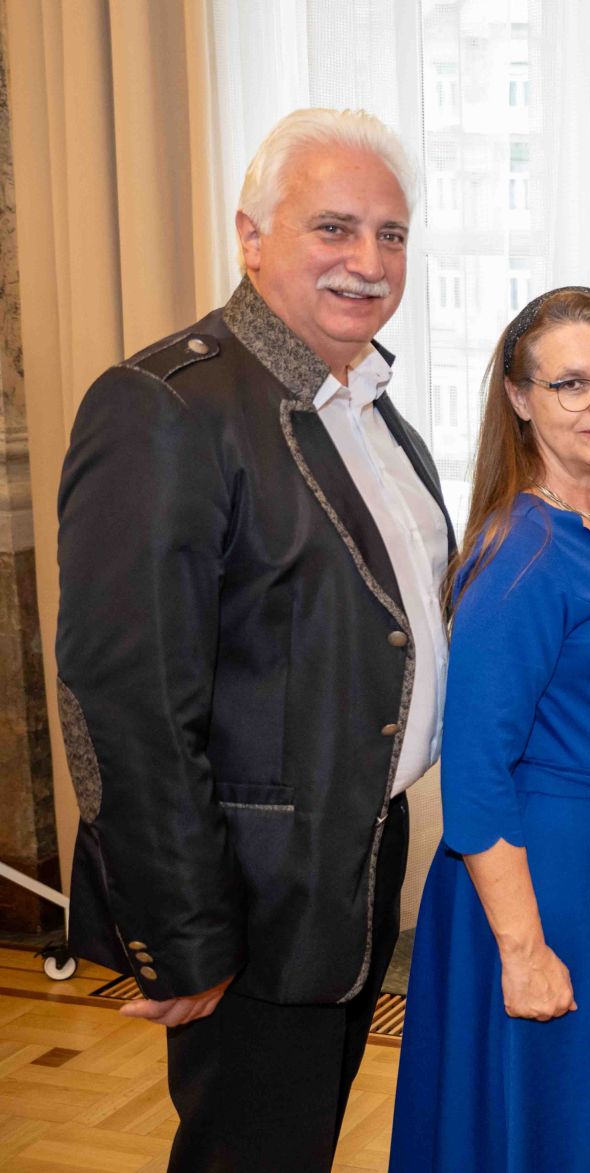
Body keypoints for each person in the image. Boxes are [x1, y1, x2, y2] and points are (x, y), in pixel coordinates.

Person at [55, 108, 449, 1170]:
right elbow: (121, 696)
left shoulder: (367, 406)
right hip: (249, 896)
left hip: (352, 866)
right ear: (252, 236)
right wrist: (181, 934)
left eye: (391, 234)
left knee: (297, 1143)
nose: (367, 263)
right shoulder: (166, 406)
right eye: (333, 228)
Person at [388, 287, 590, 1171]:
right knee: (555, 1123)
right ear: (520, 397)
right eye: (572, 385)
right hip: (539, 879)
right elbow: (475, 772)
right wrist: (522, 949)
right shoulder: (523, 552)